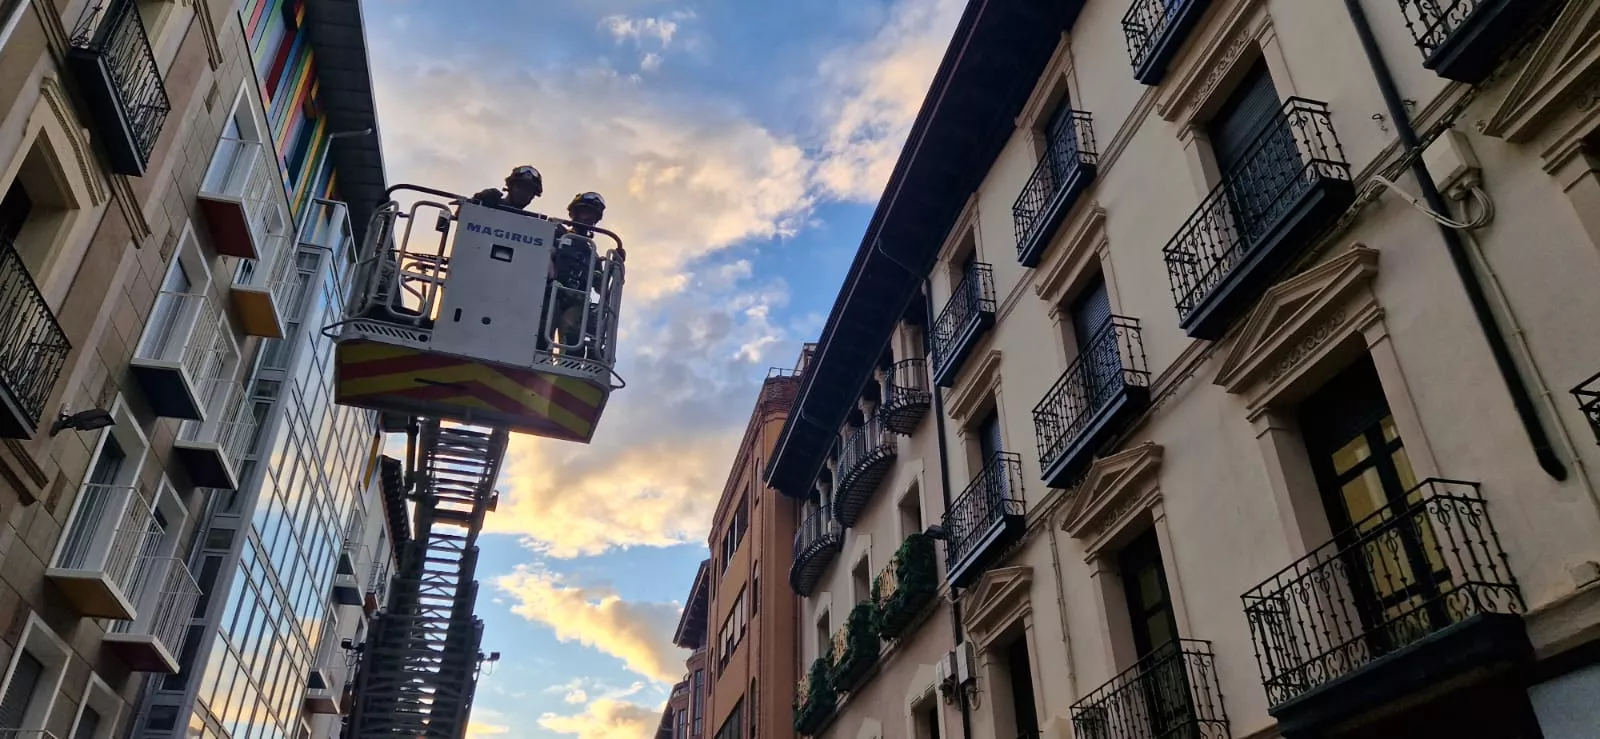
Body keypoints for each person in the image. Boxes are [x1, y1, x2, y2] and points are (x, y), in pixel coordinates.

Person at [472, 165, 544, 210]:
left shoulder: (531, 228)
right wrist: (477, 201)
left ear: (533, 196)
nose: (523, 193)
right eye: (519, 187)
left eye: (529, 190)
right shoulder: (489, 200)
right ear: (510, 187)